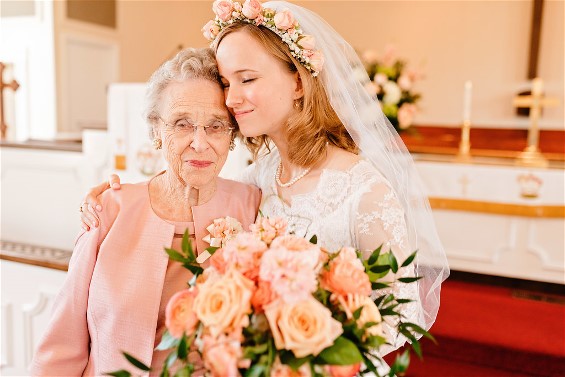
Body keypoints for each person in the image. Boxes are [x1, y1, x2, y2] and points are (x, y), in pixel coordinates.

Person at [79, 0, 449, 361]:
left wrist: (302, 359)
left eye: (247, 79)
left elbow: (401, 318)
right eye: (225, 82)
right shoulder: (253, 179)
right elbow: (188, 196)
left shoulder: (365, 192)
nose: (231, 98)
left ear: (299, 83)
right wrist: (115, 199)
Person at [31, 47, 261, 376]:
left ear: (232, 135)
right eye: (182, 124)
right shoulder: (110, 209)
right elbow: (63, 341)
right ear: (155, 130)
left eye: (215, 126)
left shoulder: (251, 206)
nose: (199, 142)